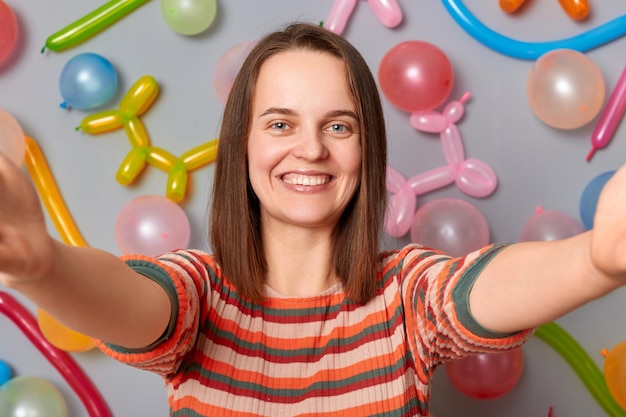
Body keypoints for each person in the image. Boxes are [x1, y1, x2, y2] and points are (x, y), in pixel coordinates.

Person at [1, 21, 626, 417]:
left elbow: (477, 291)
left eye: (338, 126)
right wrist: (46, 267)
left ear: (366, 148)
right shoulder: (200, 293)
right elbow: (128, 303)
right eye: (280, 124)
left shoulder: (402, 295)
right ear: (242, 145)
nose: (312, 149)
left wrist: (594, 258)